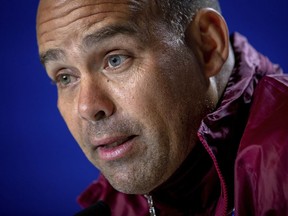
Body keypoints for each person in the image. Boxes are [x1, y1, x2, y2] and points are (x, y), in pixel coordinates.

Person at [36, 0, 288, 215]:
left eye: (115, 59)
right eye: (65, 77)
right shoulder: (114, 206)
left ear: (207, 47)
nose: (88, 107)